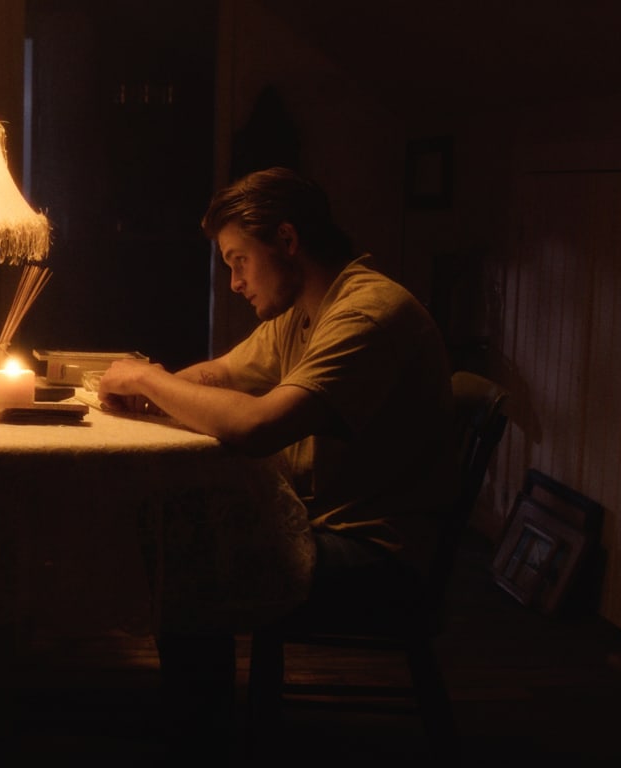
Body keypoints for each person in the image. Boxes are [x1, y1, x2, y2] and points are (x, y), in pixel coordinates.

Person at [98, 166, 453, 759]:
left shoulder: (366, 315)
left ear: (287, 241)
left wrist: (147, 377)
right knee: (173, 521)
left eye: (239, 260)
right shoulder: (303, 313)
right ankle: (194, 720)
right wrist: (145, 391)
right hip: (327, 524)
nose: (235, 282)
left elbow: (257, 426)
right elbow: (223, 377)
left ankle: (197, 738)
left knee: (185, 553)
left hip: (380, 557)